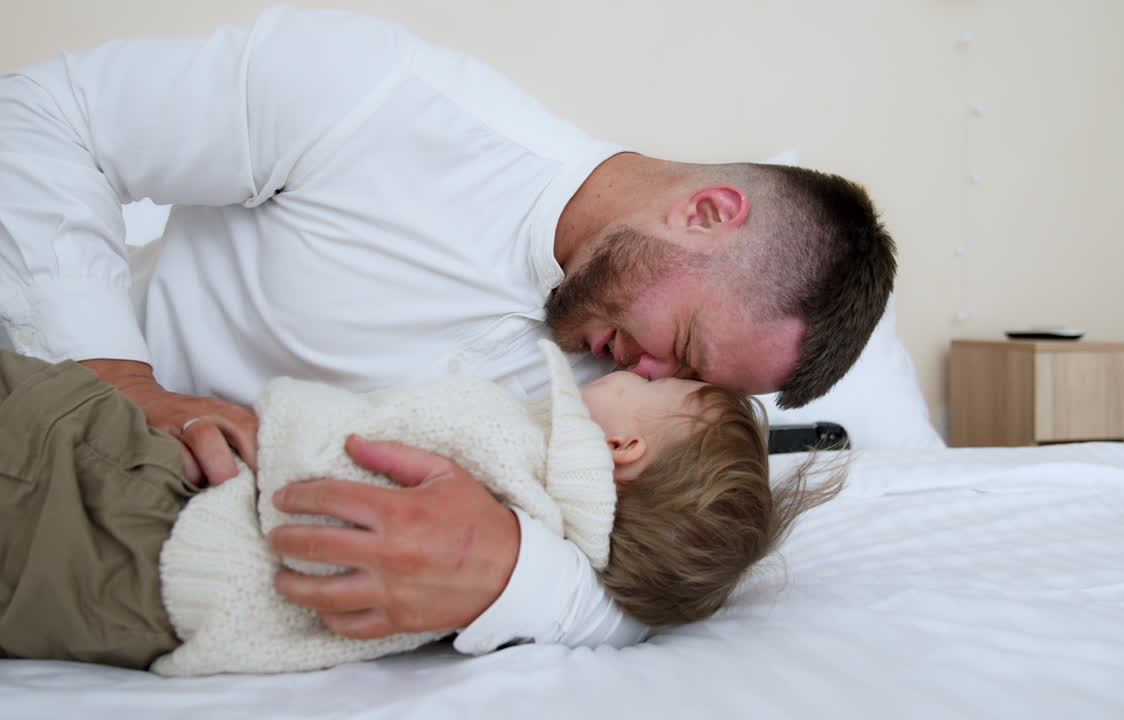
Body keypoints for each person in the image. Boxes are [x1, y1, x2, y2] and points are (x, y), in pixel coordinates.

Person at [0, 6, 895, 654]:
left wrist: (510, 573)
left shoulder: (609, 419)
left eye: (693, 384)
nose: (659, 375)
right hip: (44, 408)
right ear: (705, 214)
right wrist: (117, 377)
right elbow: (40, 116)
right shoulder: (374, 95)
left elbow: (663, 585)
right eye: (687, 349)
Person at [0, 340, 842, 675]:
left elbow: (350, 447)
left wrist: (287, 418)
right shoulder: (559, 528)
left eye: (675, 383)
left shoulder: (515, 454)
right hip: (134, 604)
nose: (650, 368)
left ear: (624, 450)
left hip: (159, 506)